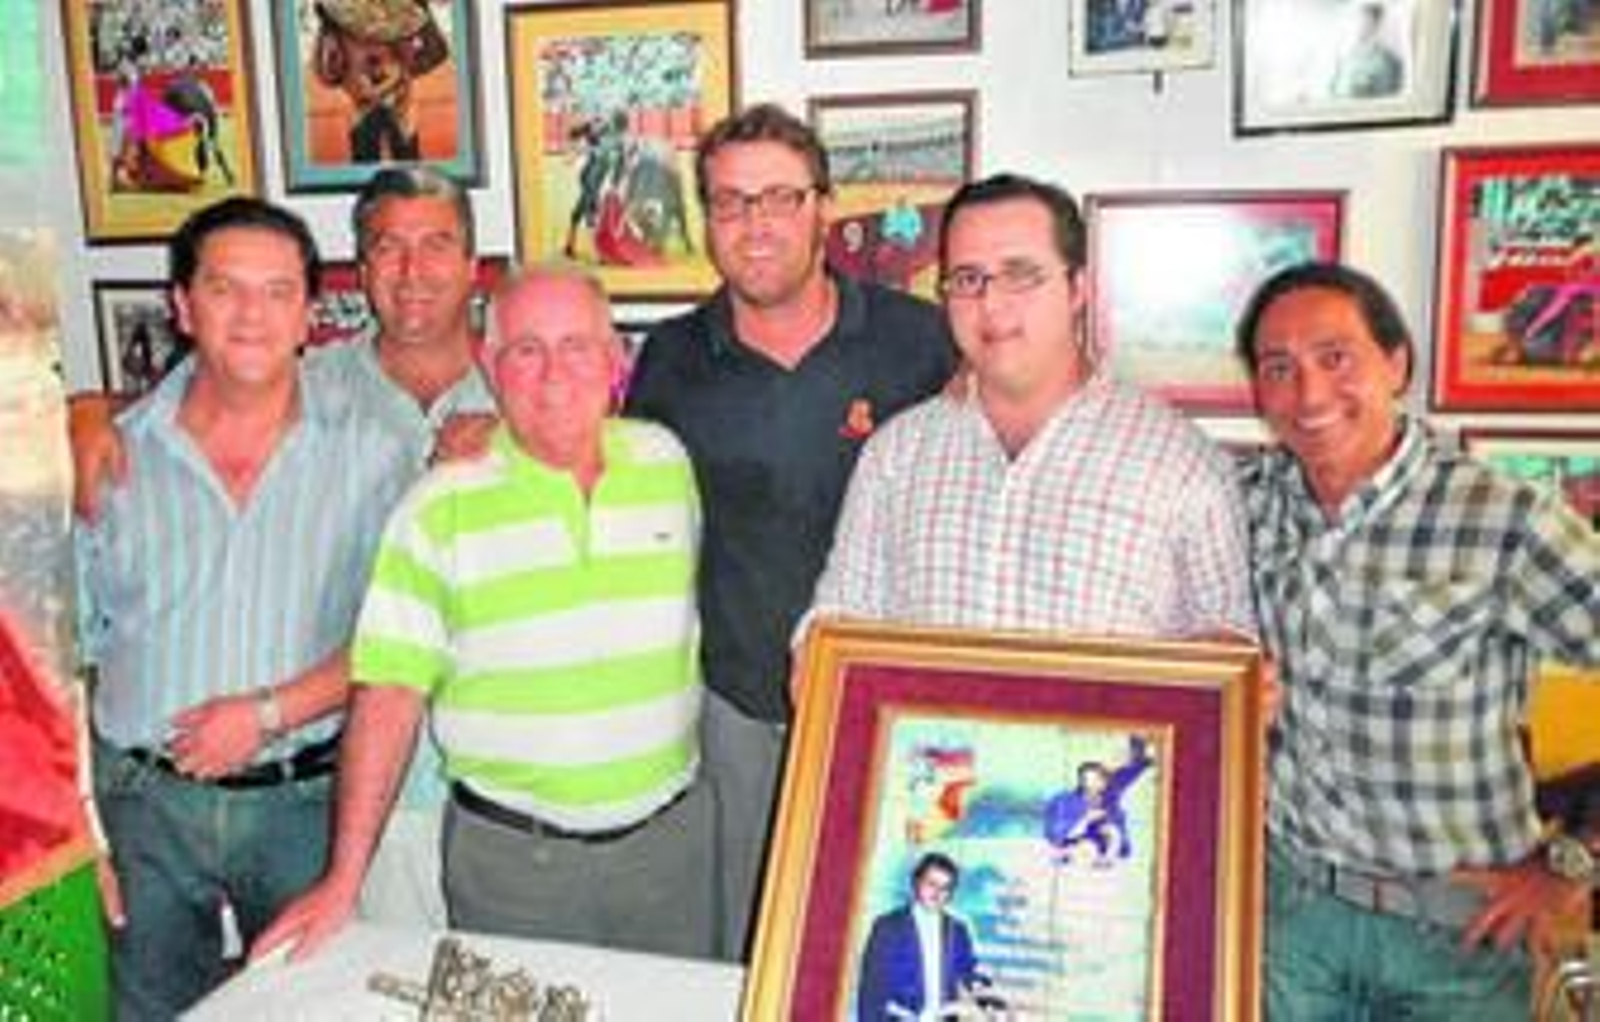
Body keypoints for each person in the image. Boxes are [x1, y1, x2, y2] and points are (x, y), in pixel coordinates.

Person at [71, 166, 496, 929]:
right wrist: (81, 412)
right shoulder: (314, 385)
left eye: (436, 244)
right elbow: (213, 394)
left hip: (478, 788)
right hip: (279, 798)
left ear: (474, 263)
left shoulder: (531, 387)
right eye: (388, 247)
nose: (413, 270)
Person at [252, 265, 715, 962]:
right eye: (526, 350)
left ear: (617, 357)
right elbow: (387, 697)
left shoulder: (667, 464)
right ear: (490, 367)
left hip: (670, 853)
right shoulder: (438, 507)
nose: (553, 373)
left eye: (577, 346)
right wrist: (344, 879)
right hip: (513, 868)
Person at [623, 103, 958, 960]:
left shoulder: (918, 340)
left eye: (779, 197)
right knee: (750, 947)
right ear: (707, 218)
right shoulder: (669, 359)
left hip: (897, 714)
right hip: (737, 716)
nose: (756, 224)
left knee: (887, 943)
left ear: (822, 207)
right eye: (730, 203)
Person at [1234, 261, 1600, 1019]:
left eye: (1336, 358)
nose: (1309, 394)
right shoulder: (1244, 506)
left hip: (1458, 938)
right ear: (1258, 392)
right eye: (1279, 368)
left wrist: (1572, 863)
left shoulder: (1504, 519)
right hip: (1292, 921)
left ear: (1396, 363)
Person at [76, 197, 413, 1017]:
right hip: (139, 805)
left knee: (308, 1011)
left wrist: (267, 712)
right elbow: (56, 660)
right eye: (225, 289)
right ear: (184, 307)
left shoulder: (380, 447)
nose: (252, 315)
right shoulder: (107, 455)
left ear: (309, 313)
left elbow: (403, 643)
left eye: (277, 291)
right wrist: (76, 828)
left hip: (303, 804)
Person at [807, 172, 1253, 641]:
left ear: (1078, 288)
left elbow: (1226, 641)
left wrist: (1236, 672)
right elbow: (843, 610)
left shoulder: (1184, 466)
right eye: (967, 278)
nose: (992, 304)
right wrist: (817, 659)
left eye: (1020, 275)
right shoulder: (896, 455)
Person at [856, 852, 981, 1022]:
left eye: (945, 888)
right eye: (931, 884)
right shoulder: (887, 927)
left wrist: (980, 989)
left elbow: (969, 972)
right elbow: (871, 989)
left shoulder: (957, 931)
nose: (937, 893)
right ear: (916, 882)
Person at [1043, 736, 1153, 867]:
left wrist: (1145, 761)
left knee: (1111, 832)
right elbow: (1060, 830)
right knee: (1085, 845)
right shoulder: (1072, 800)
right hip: (1079, 837)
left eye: (1097, 781)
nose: (1093, 786)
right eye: (1088, 781)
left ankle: (1104, 859)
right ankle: (1069, 855)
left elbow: (1129, 773)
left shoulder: (1111, 791)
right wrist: (1085, 820)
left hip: (1105, 839)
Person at [1329, 2, 1403, 99]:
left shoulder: (1387, 62)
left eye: (1365, 22)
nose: (1359, 27)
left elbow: (1387, 98)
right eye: (1357, 21)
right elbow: (1333, 91)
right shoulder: (1346, 59)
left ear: (1376, 25)